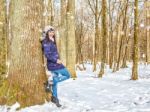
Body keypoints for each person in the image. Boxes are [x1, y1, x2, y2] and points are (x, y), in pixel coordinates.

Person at [41, 27, 71, 107]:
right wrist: (56, 60)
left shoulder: (52, 40)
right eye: (50, 32)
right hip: (54, 64)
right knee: (68, 75)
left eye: (53, 32)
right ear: (47, 33)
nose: (52, 33)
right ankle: (50, 82)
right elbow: (47, 54)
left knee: (55, 80)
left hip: (55, 64)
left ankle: (55, 97)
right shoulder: (46, 42)